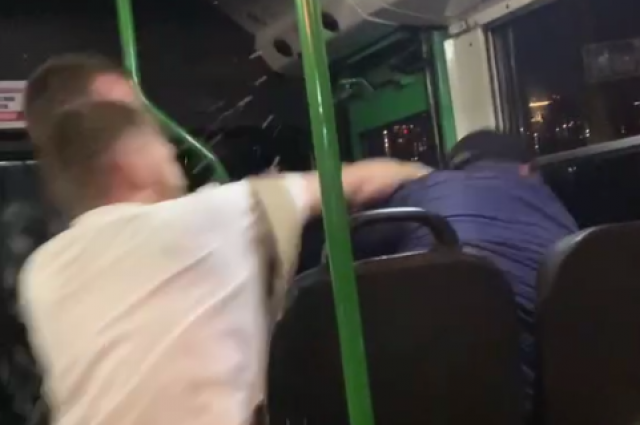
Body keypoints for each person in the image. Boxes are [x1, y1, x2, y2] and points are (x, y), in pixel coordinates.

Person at [17, 100, 430, 425]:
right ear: (130, 162)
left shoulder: (42, 269)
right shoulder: (205, 219)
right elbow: (355, 183)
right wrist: (431, 177)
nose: (170, 150)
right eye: (157, 141)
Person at [351, 129, 579, 405]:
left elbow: (352, 245)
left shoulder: (427, 190)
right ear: (528, 168)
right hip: (557, 393)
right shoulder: (556, 210)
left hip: (429, 386)